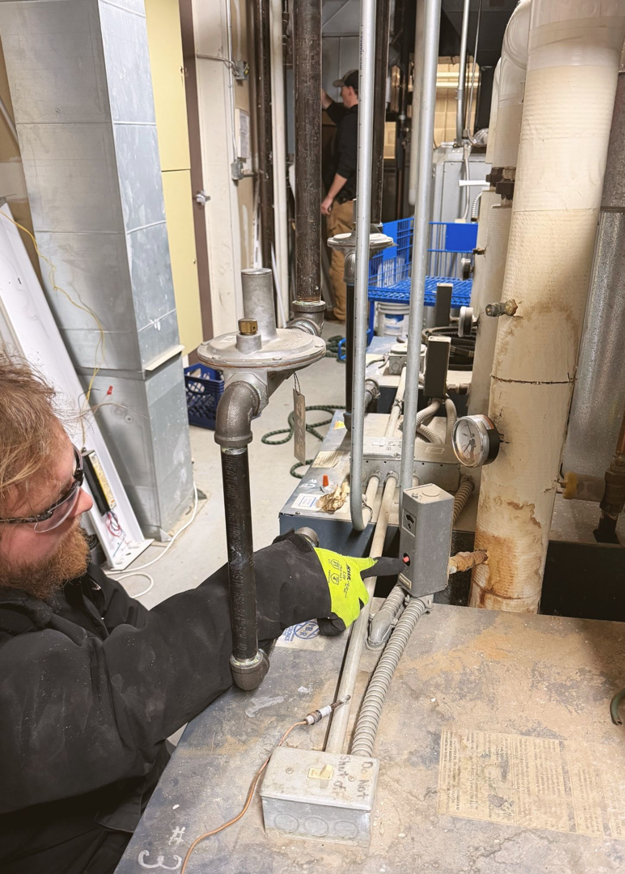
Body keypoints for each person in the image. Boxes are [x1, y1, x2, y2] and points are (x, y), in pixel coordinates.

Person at [0, 357, 402, 874]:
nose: (82, 504)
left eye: (76, 473)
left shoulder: (45, 567)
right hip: (72, 846)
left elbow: (140, 637)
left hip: (128, 792)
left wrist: (244, 607)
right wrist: (264, 588)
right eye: (52, 507)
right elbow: (106, 701)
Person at [322, 70, 359, 322]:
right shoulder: (362, 119)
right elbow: (336, 111)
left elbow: (346, 165)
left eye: (343, 89)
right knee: (355, 255)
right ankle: (357, 310)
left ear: (350, 90)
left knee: (339, 257)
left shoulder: (349, 123)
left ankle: (343, 312)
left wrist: (328, 198)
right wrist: (322, 98)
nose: (341, 94)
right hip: (360, 201)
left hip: (344, 201)